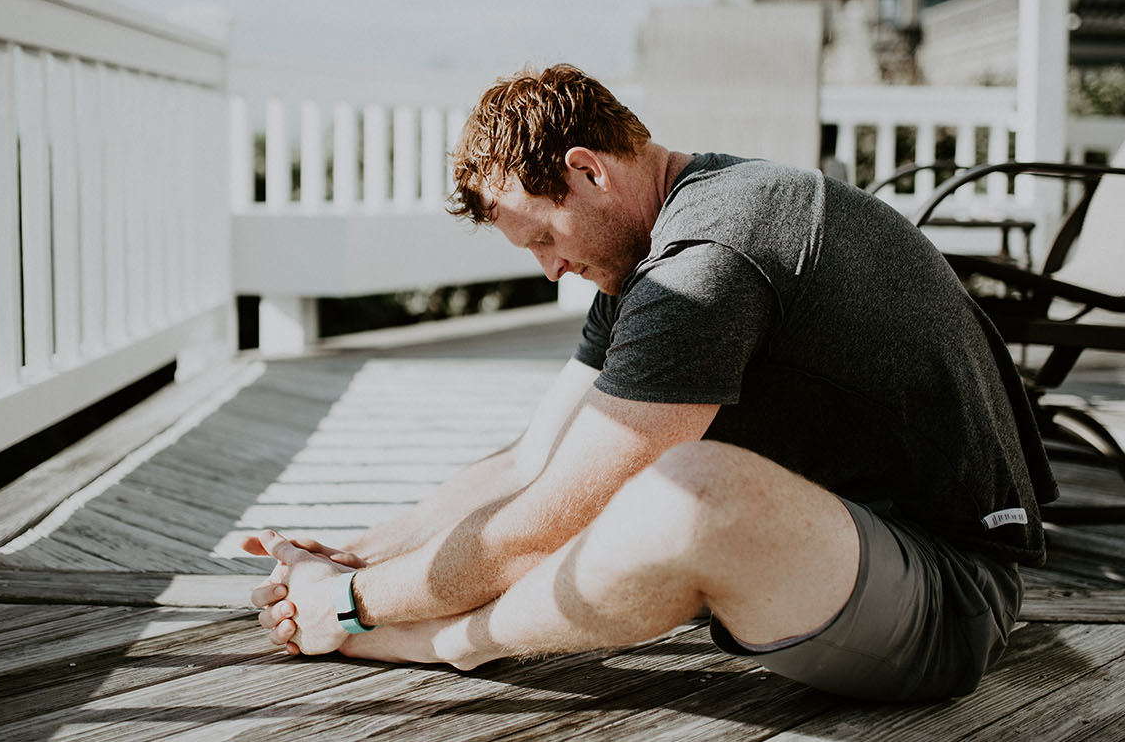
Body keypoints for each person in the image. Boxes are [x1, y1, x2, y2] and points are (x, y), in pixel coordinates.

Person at [243, 63, 1056, 701]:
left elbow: (546, 520)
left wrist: (355, 605)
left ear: (588, 171)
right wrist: (354, 553)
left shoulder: (707, 260)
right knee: (618, 479)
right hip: (836, 551)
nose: (551, 268)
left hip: (948, 594)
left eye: (543, 238)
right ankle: (411, 618)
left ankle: (449, 643)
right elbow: (533, 461)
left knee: (684, 493)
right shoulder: (650, 253)